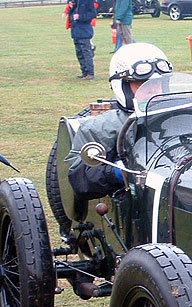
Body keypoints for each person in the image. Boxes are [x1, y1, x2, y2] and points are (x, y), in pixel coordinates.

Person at [65, 43, 173, 200]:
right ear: (123, 86)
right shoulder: (100, 128)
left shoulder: (187, 114)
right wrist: (117, 172)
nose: (154, 91)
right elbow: (80, 180)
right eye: (142, 84)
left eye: (158, 84)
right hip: (137, 204)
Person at [69, 0, 97, 80]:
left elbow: (93, 14)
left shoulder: (88, 1)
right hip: (76, 31)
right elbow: (71, 16)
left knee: (86, 52)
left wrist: (80, 17)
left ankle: (90, 73)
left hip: (84, 30)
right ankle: (84, 72)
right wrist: (72, 7)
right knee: (79, 53)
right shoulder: (75, 2)